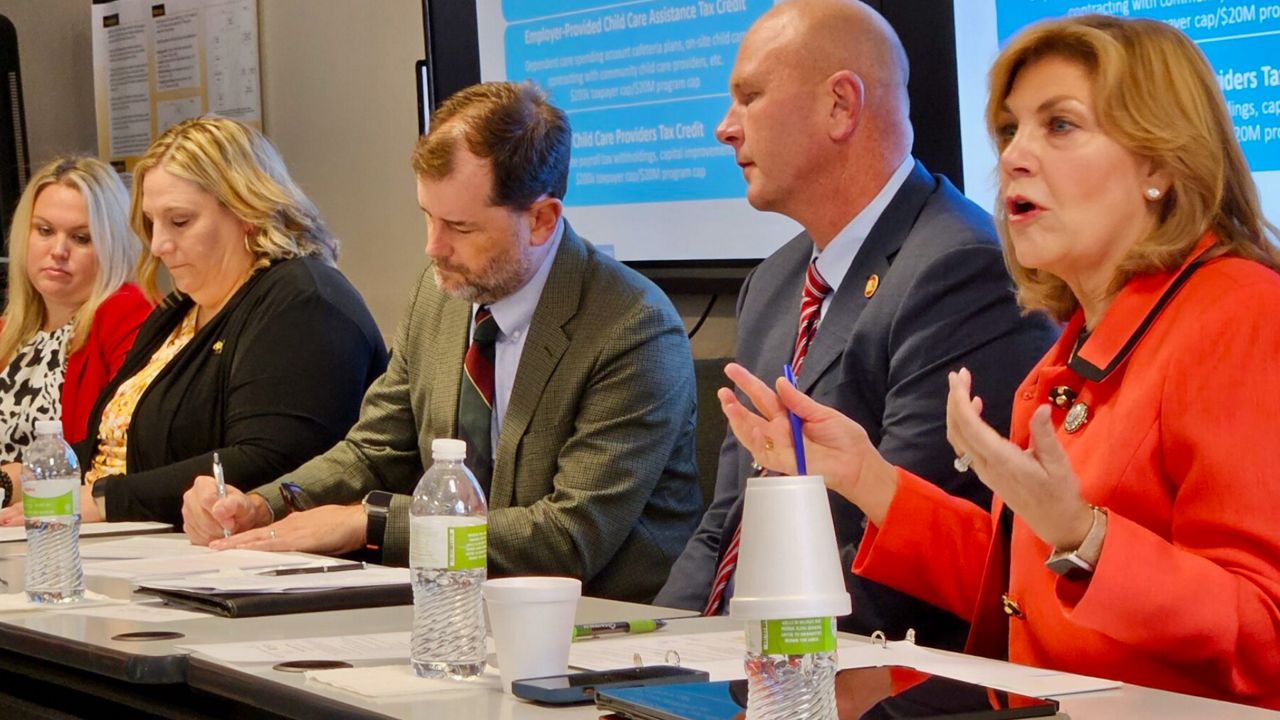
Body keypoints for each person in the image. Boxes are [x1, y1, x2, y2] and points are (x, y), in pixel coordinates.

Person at [719, 15, 1280, 709]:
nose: (1013, 156)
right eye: (1011, 130)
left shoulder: (1240, 315)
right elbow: (1022, 594)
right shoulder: (1076, 339)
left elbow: (1262, 634)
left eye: (1061, 126)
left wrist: (1085, 536)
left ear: (1161, 165)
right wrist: (865, 477)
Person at [180, 82, 701, 603]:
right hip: (453, 607)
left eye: (459, 227)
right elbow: (376, 450)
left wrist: (374, 523)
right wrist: (264, 505)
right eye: (427, 216)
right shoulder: (440, 298)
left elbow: (568, 538)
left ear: (541, 221)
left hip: (601, 626)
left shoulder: (632, 328)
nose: (433, 248)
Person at [654, 0, 1057, 648]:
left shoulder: (959, 269)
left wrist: (743, 658)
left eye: (750, 97)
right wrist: (650, 651)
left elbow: (894, 554)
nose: (725, 129)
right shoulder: (774, 280)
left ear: (841, 105)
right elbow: (727, 522)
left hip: (855, 669)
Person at [0, 117, 388, 527]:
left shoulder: (303, 299)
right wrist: (23, 479)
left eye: (180, 221)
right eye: (152, 223)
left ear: (247, 211)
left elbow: (274, 460)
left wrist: (105, 501)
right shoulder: (182, 307)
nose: (160, 244)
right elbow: (117, 449)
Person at [0, 156, 151, 505]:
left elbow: (122, 448)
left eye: (81, 238)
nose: (58, 251)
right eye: (45, 230)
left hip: (71, 519)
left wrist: (13, 483)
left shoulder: (126, 313)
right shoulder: (10, 329)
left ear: (110, 244)